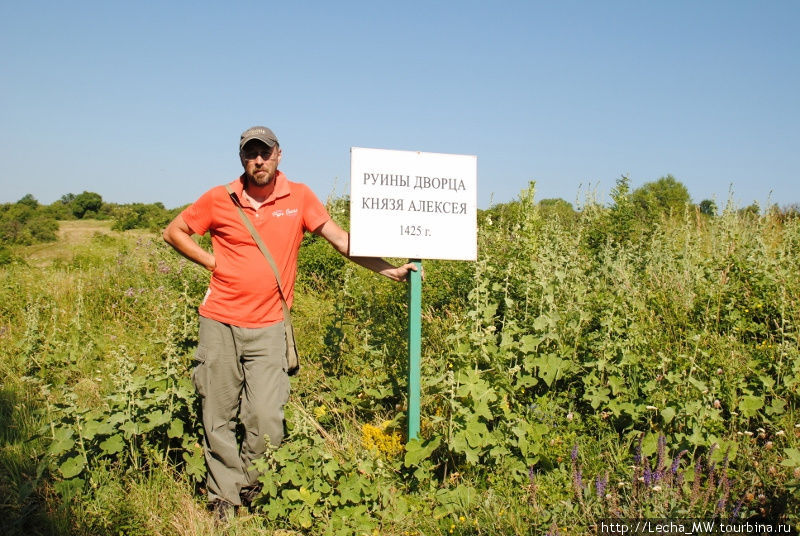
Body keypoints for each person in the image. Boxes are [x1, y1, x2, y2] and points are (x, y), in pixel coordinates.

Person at [162, 126, 417, 521]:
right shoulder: (219, 198)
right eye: (251, 154)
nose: (258, 160)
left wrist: (389, 270)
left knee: (264, 414)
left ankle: (256, 486)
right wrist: (212, 262)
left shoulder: (298, 197)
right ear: (242, 158)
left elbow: (341, 240)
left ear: (279, 154)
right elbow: (174, 231)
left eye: (265, 153)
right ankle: (224, 498)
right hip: (219, 322)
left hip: (269, 325)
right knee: (218, 413)